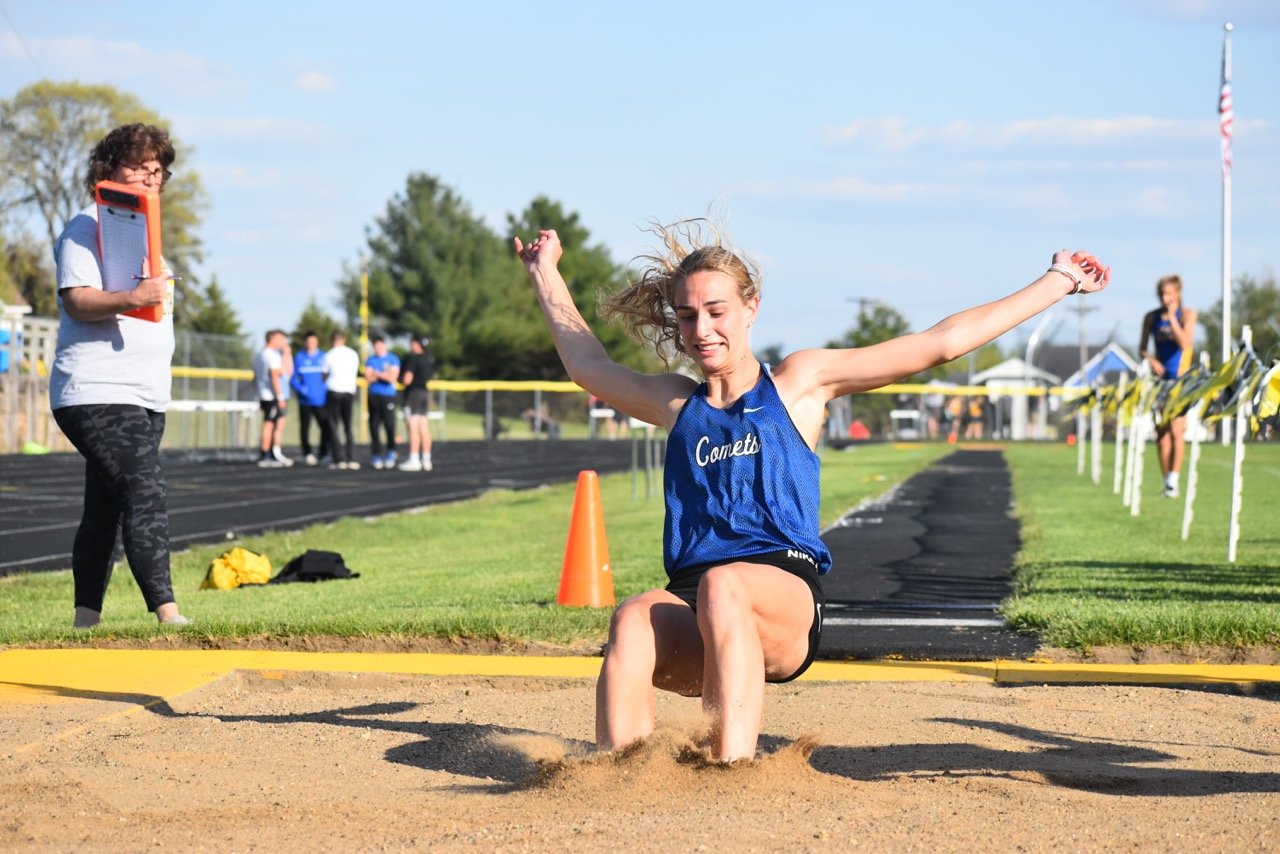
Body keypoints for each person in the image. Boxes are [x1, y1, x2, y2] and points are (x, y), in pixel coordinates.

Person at [514, 220, 1108, 762]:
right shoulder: (678, 403)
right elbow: (587, 366)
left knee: (726, 586)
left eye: (717, 311)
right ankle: (622, 775)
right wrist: (546, 273)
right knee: (634, 615)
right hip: (698, 603)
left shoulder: (799, 384)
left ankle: (733, 769)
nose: (702, 329)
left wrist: (1057, 281)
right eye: (688, 316)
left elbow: (940, 343)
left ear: (751, 309)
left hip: (783, 600)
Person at [49, 122, 189, 628]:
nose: (150, 178)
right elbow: (78, 299)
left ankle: (85, 622)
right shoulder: (86, 227)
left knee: (105, 508)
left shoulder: (149, 239)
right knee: (144, 489)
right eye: (139, 167)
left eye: (158, 170)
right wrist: (136, 297)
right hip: (97, 390)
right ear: (107, 172)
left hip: (145, 395)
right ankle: (168, 614)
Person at [1139, 274, 1197, 498]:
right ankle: (1167, 483)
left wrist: (1173, 319)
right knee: (1161, 433)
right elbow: (1143, 348)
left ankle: (1174, 479)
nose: (1165, 298)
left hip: (1180, 381)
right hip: (1160, 382)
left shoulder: (1187, 315)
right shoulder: (1151, 318)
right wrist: (1151, 360)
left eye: (1169, 294)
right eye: (1162, 294)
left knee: (1177, 430)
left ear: (1178, 294)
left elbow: (1185, 343)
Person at [254, 329, 293, 467]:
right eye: (281, 339)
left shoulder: (259, 354)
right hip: (271, 396)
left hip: (263, 395)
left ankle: (267, 453)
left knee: (269, 424)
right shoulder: (272, 356)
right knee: (269, 424)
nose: (283, 342)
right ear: (273, 338)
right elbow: (275, 377)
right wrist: (280, 396)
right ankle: (266, 454)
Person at [290, 331, 331, 465]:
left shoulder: (324, 356)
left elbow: (329, 375)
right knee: (305, 427)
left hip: (321, 400)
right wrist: (302, 389)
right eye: (308, 341)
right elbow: (293, 378)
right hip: (305, 401)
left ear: (317, 342)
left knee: (325, 427)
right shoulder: (299, 357)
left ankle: (323, 453)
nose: (311, 344)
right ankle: (307, 452)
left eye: (313, 341)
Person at [322, 330, 360, 470]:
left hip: (334, 391)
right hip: (349, 391)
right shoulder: (353, 354)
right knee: (348, 426)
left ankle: (339, 458)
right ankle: (351, 458)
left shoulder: (329, 355)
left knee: (334, 425)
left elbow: (324, 375)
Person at [398, 334, 434, 472]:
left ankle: (414, 459)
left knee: (413, 426)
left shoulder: (413, 359)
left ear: (416, 344)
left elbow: (407, 379)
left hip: (413, 394)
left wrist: (399, 379)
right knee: (424, 427)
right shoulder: (428, 360)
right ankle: (426, 459)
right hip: (425, 394)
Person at [364, 334, 400, 469]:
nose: (376, 348)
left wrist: (377, 374)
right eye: (374, 346)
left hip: (388, 396)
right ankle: (376, 454)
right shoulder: (370, 360)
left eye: (378, 345)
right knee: (374, 426)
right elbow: (368, 377)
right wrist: (382, 374)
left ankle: (391, 451)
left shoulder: (393, 359)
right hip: (374, 396)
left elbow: (392, 378)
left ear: (384, 344)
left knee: (389, 425)